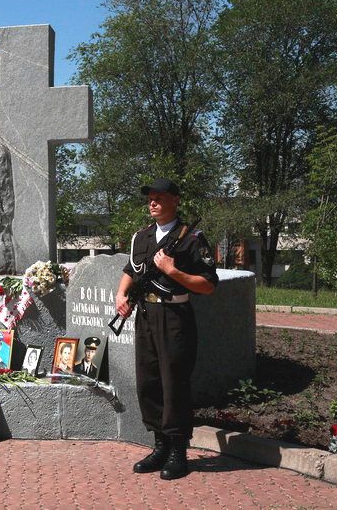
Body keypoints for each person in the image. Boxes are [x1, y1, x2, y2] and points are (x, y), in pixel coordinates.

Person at [115, 177, 217, 481]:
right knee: (148, 382)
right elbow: (130, 272)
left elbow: (209, 285)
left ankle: (177, 451)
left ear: (176, 200)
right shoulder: (142, 237)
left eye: (160, 197)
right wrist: (121, 296)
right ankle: (159, 445)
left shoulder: (191, 238)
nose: (153, 202)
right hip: (145, 314)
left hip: (174, 316)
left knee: (174, 384)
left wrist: (173, 270)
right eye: (150, 198)